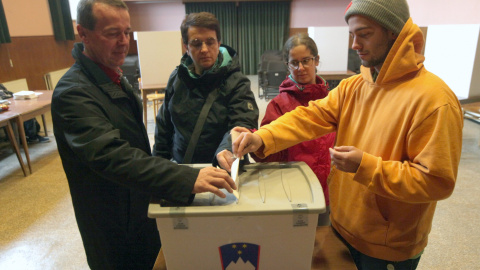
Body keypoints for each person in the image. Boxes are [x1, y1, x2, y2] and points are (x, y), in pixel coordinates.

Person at [233, 0, 463, 269]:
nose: (354, 44)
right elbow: (309, 116)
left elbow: (436, 181)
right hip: (341, 227)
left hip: (387, 246)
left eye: (364, 34)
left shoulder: (434, 99)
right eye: (352, 35)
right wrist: (263, 137)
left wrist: (365, 166)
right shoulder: (354, 85)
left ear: (394, 33)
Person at [51, 1, 236, 269]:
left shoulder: (112, 77)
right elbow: (112, 155)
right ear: (83, 34)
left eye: (127, 32)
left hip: (137, 206)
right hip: (111, 221)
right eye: (113, 33)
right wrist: (186, 176)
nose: (124, 42)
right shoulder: (74, 92)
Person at [239, 33, 335, 225]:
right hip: (293, 191)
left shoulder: (332, 102)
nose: (300, 68)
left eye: (306, 61)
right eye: (294, 63)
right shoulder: (278, 104)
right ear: (287, 65)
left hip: (329, 191)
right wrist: (257, 145)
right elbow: (269, 156)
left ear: (316, 60)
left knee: (323, 244)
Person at [153, 12, 258, 169]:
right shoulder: (177, 78)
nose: (204, 49)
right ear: (186, 47)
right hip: (184, 171)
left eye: (210, 42)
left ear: (219, 43)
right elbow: (164, 126)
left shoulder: (236, 81)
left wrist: (227, 149)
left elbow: (243, 122)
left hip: (221, 170)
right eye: (196, 43)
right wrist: (158, 164)